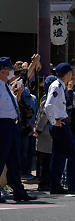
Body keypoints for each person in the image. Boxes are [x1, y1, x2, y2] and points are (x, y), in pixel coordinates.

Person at [44, 62, 75, 194]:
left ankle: (55, 186)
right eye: (71, 72)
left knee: (59, 156)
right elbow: (48, 106)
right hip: (60, 125)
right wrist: (53, 121)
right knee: (74, 154)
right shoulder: (57, 86)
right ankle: (74, 186)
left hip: (60, 124)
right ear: (67, 73)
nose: (73, 75)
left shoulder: (59, 86)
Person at [0, 57, 33, 202]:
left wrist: (18, 94)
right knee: (1, 159)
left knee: (14, 160)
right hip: (2, 125)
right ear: (2, 70)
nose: (10, 71)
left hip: (12, 125)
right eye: (8, 68)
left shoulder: (6, 85)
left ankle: (19, 191)